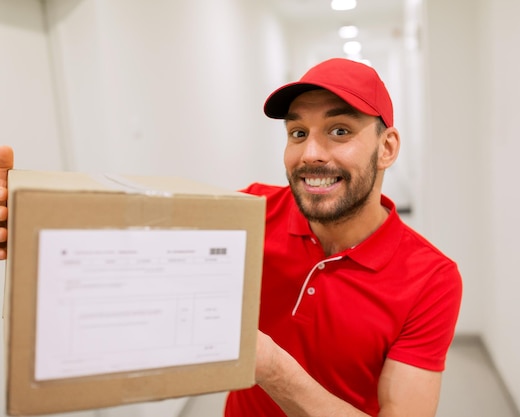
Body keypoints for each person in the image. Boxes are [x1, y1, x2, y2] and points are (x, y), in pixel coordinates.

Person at [0, 58, 462, 417]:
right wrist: (24, 221)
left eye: (339, 130)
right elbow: (129, 251)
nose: (311, 153)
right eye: (298, 132)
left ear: (387, 148)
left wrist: (271, 367)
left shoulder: (431, 280)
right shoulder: (250, 214)